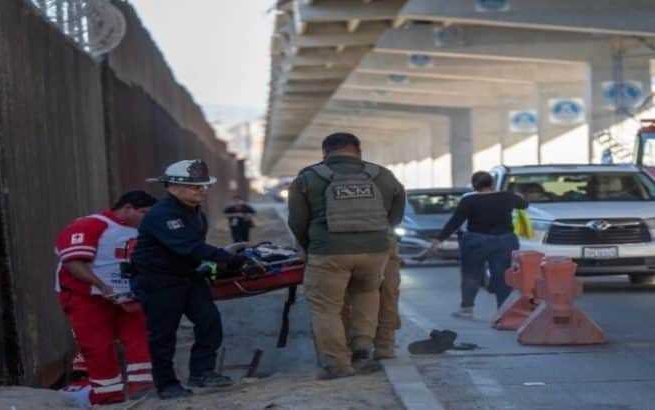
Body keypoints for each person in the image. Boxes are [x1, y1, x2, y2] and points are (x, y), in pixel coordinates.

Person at [130, 160, 264, 399]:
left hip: (188, 278)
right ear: (173, 186)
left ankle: (202, 372)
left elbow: (196, 250)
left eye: (203, 186)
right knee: (163, 335)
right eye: (195, 187)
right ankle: (167, 384)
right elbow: (191, 247)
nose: (201, 190)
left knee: (209, 322)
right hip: (159, 283)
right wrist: (233, 261)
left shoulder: (193, 211)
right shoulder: (163, 214)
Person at [287, 132, 406, 379]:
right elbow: (396, 211)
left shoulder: (308, 177)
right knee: (367, 294)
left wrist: (309, 245)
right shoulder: (382, 175)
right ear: (358, 151)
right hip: (375, 251)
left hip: (328, 252)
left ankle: (337, 364)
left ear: (325, 153)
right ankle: (363, 345)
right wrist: (380, 234)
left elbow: (297, 221)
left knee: (326, 308)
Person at [55, 191, 157, 406]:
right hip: (87, 296)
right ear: (128, 208)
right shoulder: (92, 225)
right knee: (98, 346)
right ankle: (108, 396)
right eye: (145, 213)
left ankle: (143, 389)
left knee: (140, 338)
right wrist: (100, 285)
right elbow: (73, 262)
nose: (148, 218)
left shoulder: (141, 230)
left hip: (126, 294)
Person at [430, 171, 528, 319]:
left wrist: (438, 240)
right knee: (503, 276)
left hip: (476, 241)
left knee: (471, 275)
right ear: (492, 183)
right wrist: (520, 198)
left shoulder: (469, 200)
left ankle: (467, 309)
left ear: (474, 185)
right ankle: (503, 311)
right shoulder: (507, 196)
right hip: (505, 240)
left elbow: (455, 222)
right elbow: (524, 205)